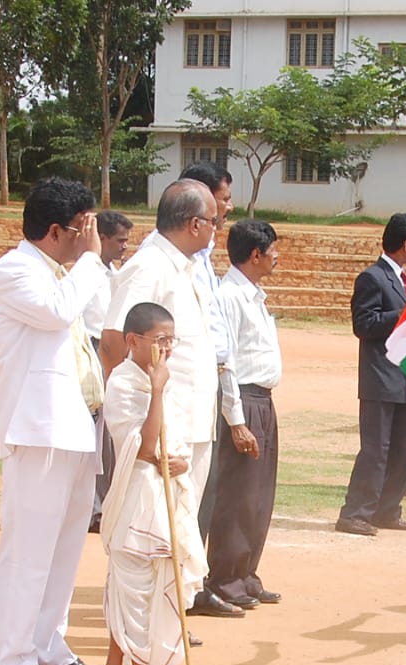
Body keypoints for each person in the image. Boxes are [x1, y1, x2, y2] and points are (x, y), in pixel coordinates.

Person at [0, 177, 107, 665]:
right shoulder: (15, 270)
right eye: (83, 228)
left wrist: (90, 264)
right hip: (38, 429)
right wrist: (92, 260)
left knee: (64, 548)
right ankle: (14, 660)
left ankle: (48, 646)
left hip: (76, 424)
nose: (90, 237)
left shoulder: (64, 274)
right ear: (57, 230)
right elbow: (57, 312)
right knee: (28, 550)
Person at [103, 180, 228, 613]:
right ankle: (146, 626)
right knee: (153, 534)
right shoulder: (149, 266)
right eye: (214, 221)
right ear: (194, 224)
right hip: (159, 431)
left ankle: (169, 620)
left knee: (182, 530)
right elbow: (114, 342)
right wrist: (141, 428)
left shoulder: (186, 268)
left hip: (190, 423)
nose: (217, 228)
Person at [99, 302, 203, 665]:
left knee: (143, 585)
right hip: (138, 500)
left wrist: (182, 463)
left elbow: (173, 441)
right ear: (133, 340)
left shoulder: (163, 379)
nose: (168, 348)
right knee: (137, 589)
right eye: (161, 340)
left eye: (172, 340)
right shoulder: (125, 383)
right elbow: (142, 447)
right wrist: (156, 390)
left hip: (166, 494)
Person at [205, 219, 284, 609]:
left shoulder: (253, 296)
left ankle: (247, 572)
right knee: (238, 494)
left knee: (259, 494)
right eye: (272, 251)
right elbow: (226, 362)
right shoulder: (229, 296)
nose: (276, 257)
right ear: (255, 254)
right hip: (243, 400)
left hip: (263, 400)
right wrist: (236, 420)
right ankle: (226, 576)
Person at [336, 212, 406, 536]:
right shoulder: (372, 278)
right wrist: (403, 313)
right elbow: (363, 324)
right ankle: (355, 513)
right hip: (380, 377)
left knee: (404, 448)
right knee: (376, 450)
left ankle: (387, 510)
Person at [171, 161, 235, 545]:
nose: (228, 208)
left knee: (203, 490)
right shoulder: (168, 260)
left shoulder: (202, 256)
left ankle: (194, 573)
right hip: (182, 388)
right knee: (182, 497)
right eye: (224, 199)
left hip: (208, 380)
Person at [84, 209, 134, 535]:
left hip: (114, 351)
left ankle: (106, 503)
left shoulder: (115, 274)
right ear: (100, 238)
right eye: (119, 240)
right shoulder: (86, 275)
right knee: (94, 435)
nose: (124, 246)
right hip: (93, 351)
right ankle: (93, 507)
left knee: (109, 433)